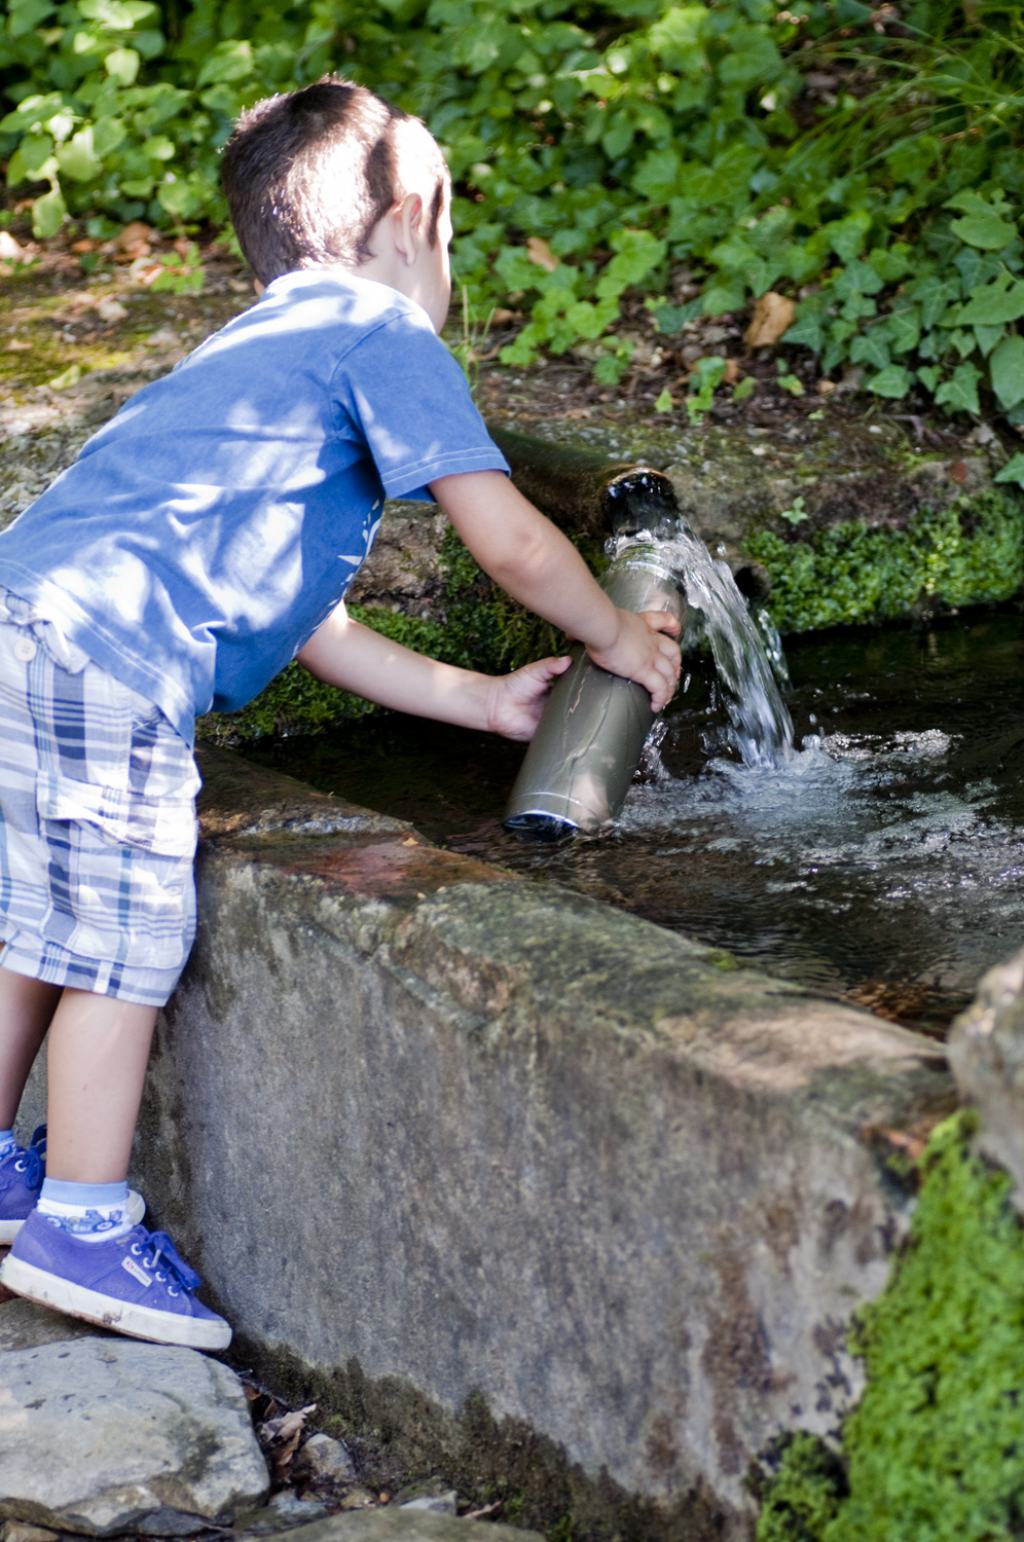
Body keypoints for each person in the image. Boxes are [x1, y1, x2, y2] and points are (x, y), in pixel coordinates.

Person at [0, 77, 681, 1350]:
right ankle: (81, 1224)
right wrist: (615, 634)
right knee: (127, 936)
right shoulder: (383, 338)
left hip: (28, 622)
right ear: (416, 213)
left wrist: (477, 699)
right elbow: (511, 544)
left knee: (41, 923)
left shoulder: (255, 352)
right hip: (105, 653)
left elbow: (308, 626)